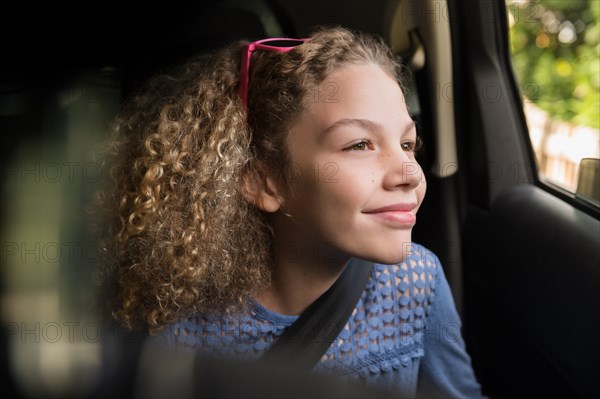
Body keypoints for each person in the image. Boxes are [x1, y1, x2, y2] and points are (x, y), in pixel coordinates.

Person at [94, 25, 485, 398]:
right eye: (359, 145)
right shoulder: (176, 321)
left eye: (407, 144)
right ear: (264, 182)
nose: (409, 173)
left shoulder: (417, 282)